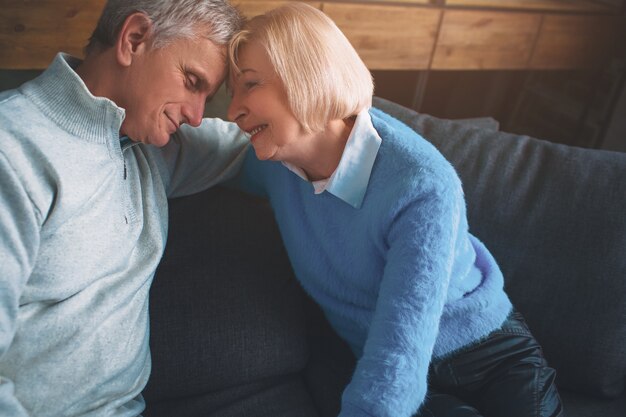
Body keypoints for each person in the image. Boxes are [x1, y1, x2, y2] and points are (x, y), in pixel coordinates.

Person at [225, 3, 564, 417]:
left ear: (306, 74)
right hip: (382, 363)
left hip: (490, 355)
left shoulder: (422, 187)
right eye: (232, 91)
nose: (232, 110)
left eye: (250, 85)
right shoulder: (276, 165)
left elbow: (401, 349)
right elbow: (203, 154)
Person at [0, 1, 248, 415]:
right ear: (133, 40)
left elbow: (284, 138)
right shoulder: (14, 150)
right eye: (191, 81)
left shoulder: (152, 148)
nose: (196, 115)